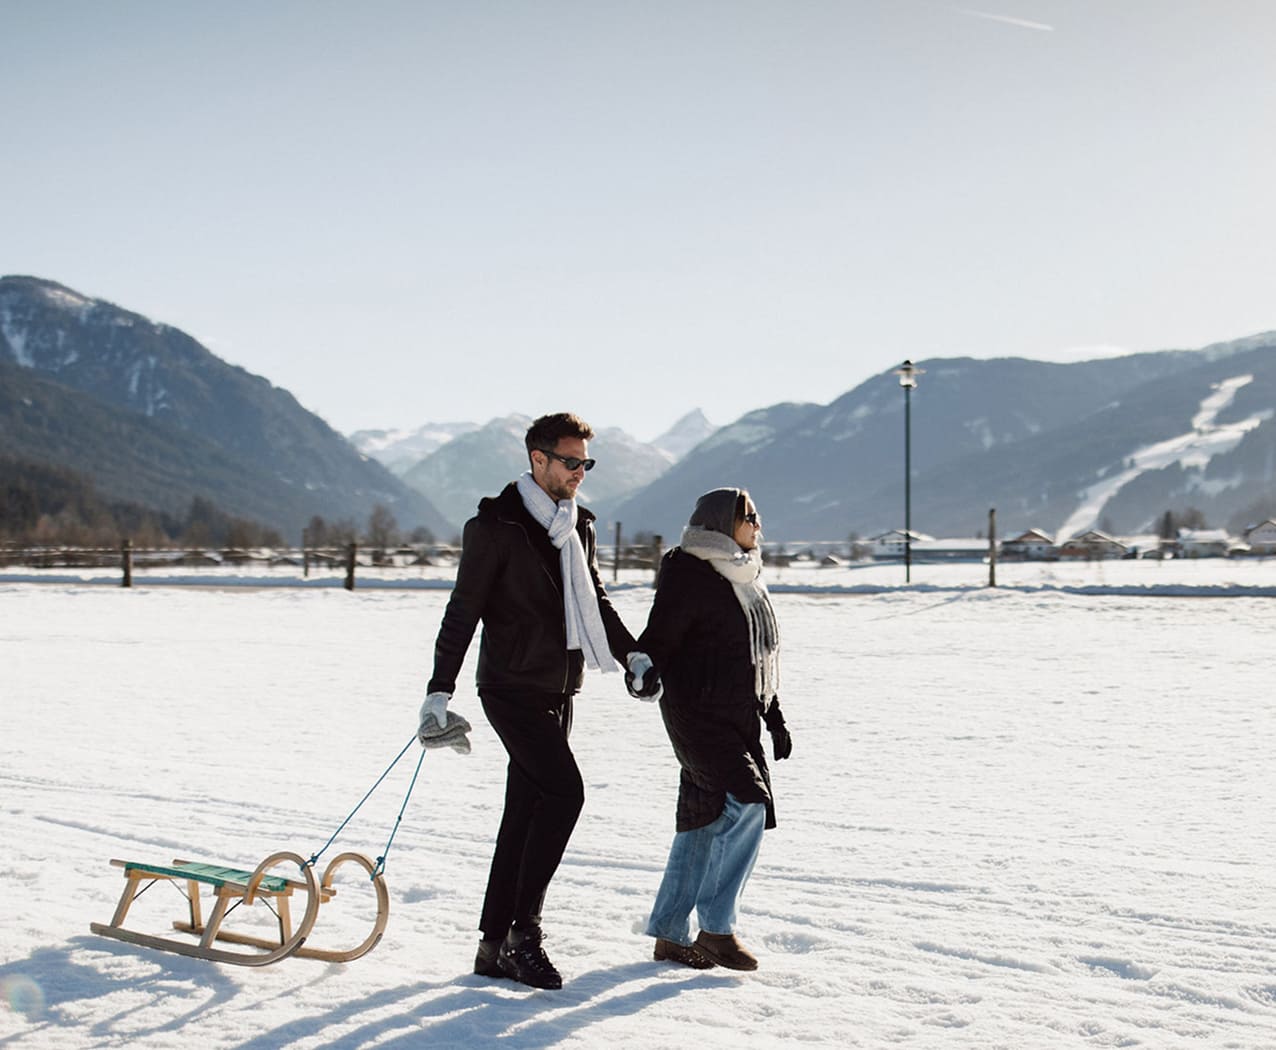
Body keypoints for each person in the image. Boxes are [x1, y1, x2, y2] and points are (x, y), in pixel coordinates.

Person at [417, 411, 660, 990]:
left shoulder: (578, 526)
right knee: (564, 792)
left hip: (559, 687)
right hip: (509, 685)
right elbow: (463, 611)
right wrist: (438, 691)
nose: (580, 472)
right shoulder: (497, 526)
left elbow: (594, 600)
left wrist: (633, 655)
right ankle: (525, 937)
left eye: (586, 463)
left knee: (524, 813)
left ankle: (492, 946)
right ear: (538, 459)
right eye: (571, 461)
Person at [636, 487, 791, 972]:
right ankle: (717, 930)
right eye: (750, 516)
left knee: (703, 818)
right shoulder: (690, 574)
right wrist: (644, 670)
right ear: (723, 522)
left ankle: (668, 932)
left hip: (738, 714)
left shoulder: (744, 575)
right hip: (697, 713)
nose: (758, 525)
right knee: (748, 802)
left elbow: (752, 656)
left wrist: (774, 714)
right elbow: (656, 639)